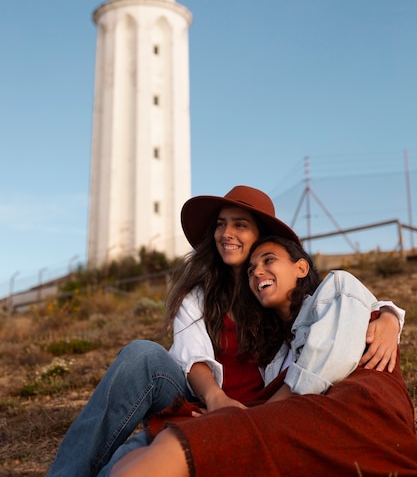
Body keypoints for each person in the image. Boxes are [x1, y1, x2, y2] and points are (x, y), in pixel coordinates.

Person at [47, 186, 404, 477]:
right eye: (220, 224)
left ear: (262, 237)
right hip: (203, 398)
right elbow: (192, 354)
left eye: (240, 225)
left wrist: (389, 315)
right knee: (142, 355)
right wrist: (216, 400)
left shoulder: (277, 295)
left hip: (260, 411)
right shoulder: (200, 294)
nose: (226, 233)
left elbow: (337, 308)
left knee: (132, 460)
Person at [109, 235, 417, 477]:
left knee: (178, 446)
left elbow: (324, 365)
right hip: (312, 415)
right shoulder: (279, 348)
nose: (257, 271)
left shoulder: (336, 285)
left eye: (269, 260)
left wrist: (389, 315)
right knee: (153, 444)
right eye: (251, 268)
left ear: (301, 267)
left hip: (359, 411)